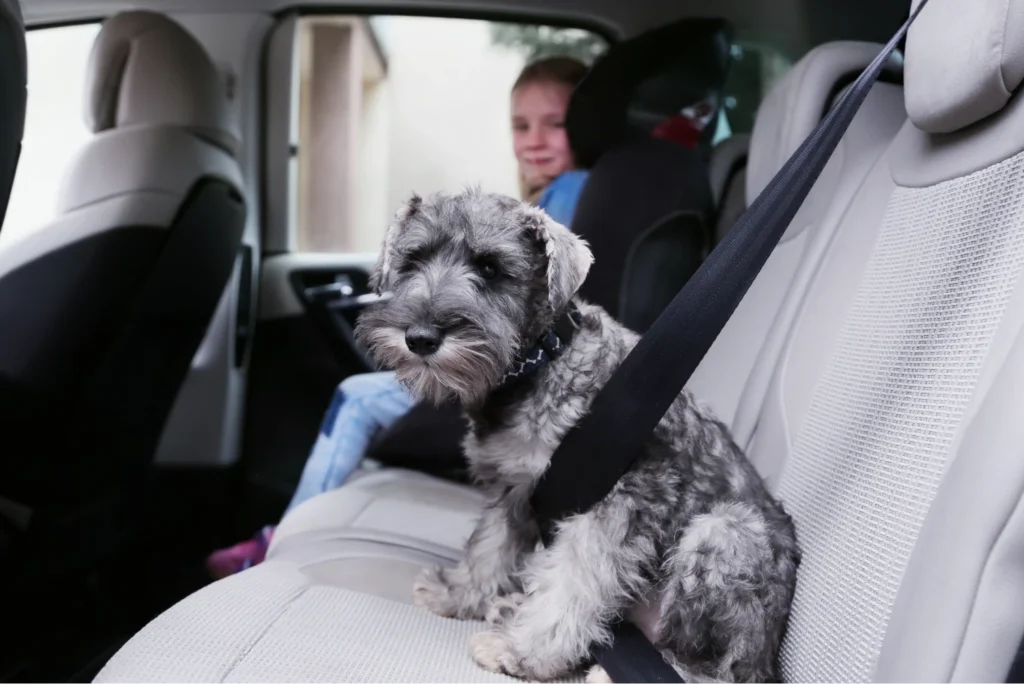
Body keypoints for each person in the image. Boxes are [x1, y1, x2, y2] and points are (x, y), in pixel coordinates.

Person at [205, 55, 591, 578]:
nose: (534, 140)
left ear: (590, 121)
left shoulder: (567, 199)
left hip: (514, 385)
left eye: (556, 123)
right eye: (520, 125)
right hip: (504, 378)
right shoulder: (550, 196)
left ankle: (272, 541)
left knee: (356, 399)